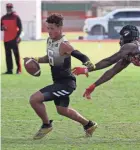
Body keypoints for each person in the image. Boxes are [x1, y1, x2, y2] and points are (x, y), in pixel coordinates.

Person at [24, 13, 97, 140]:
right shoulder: (50, 41)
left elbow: (80, 55)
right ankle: (89, 125)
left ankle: (46, 125)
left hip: (66, 84)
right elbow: (50, 57)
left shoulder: (64, 44)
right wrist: (35, 59)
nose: (49, 31)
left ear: (60, 28)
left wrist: (88, 65)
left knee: (34, 99)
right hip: (58, 82)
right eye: (48, 28)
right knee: (62, 110)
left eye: (52, 28)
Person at [72, 25, 140, 99]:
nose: (120, 40)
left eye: (121, 37)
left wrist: (86, 70)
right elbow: (113, 71)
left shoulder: (130, 46)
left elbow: (109, 61)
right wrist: (94, 85)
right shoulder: (131, 52)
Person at [1, 3, 22, 74]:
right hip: (6, 39)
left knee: (16, 55)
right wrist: (2, 27)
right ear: (6, 8)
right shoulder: (3, 18)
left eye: (10, 8)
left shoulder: (16, 17)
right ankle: (9, 70)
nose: (9, 9)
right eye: (8, 8)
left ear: (12, 8)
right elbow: (1, 27)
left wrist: (18, 37)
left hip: (14, 39)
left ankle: (19, 70)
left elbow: (20, 28)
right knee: (8, 55)